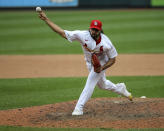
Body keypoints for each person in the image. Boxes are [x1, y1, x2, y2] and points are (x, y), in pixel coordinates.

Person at [38, 10, 133, 116]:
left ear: (100, 30)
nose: (94, 31)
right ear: (90, 28)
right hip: (90, 62)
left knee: (90, 82)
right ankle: (120, 89)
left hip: (102, 62)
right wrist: (46, 20)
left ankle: (79, 108)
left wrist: (102, 67)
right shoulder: (82, 35)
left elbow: (113, 59)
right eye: (92, 29)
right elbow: (61, 32)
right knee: (102, 85)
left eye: (96, 30)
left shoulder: (106, 43)